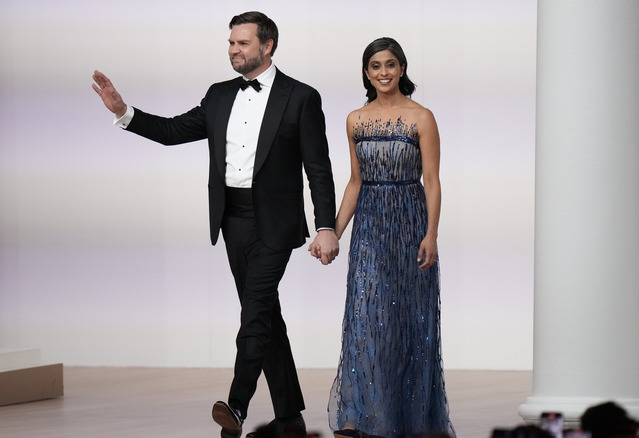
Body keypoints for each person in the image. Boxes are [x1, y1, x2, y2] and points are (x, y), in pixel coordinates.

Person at [91, 11, 339, 438]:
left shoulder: (301, 97)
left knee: (254, 311)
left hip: (277, 224)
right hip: (232, 221)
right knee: (264, 315)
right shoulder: (219, 94)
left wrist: (326, 226)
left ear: (268, 46)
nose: (233, 50)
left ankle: (237, 406)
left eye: (242, 43)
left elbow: (318, 167)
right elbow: (172, 131)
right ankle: (289, 412)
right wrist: (125, 112)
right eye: (230, 43)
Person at [322, 37, 455, 438]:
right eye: (376, 66)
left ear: (402, 69)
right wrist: (333, 231)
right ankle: (359, 417)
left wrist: (431, 234)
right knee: (365, 320)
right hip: (368, 231)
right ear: (366, 72)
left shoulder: (422, 118)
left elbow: (431, 181)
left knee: (407, 324)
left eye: (391, 65)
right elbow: (355, 182)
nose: (384, 72)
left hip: (410, 225)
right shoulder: (354, 120)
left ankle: (405, 420)